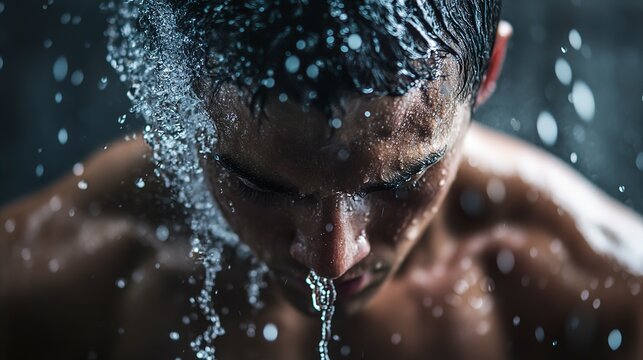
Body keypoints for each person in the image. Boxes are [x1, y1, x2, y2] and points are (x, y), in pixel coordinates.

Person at [1, 1, 642, 359]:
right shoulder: (42, 283)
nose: (334, 256)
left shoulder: (610, 295)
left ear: (486, 72)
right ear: (183, 97)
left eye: (398, 182)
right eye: (265, 186)